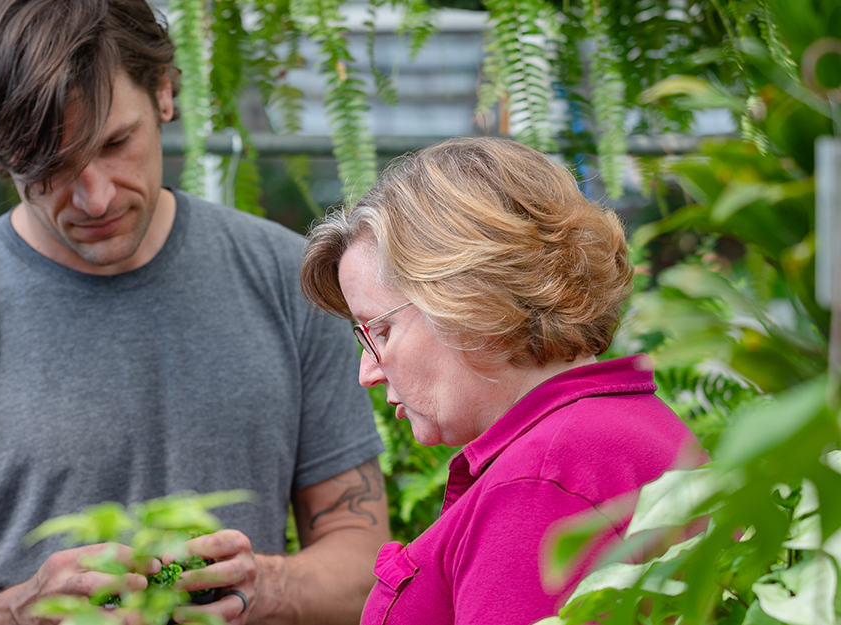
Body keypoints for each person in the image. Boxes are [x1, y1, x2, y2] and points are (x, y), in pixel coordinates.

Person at [0, 1, 389, 624]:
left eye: (116, 142)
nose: (97, 195)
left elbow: (364, 566)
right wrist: (21, 613)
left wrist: (263, 587)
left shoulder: (289, 280)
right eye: (50, 167)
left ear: (163, 93)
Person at [299, 137, 705, 624]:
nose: (368, 372)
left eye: (381, 331)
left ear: (469, 297)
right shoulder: (608, 433)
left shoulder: (544, 479)